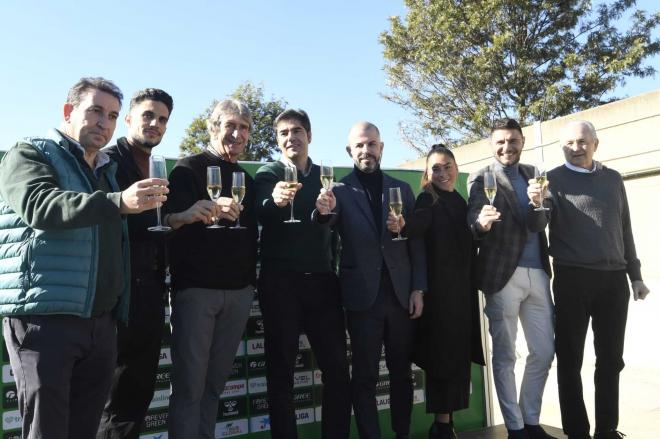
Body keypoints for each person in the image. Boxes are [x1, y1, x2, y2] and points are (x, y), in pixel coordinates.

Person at [0, 77, 167, 439]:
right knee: (47, 431)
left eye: (111, 115)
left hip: (100, 323)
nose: (103, 122)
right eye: (94, 111)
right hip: (46, 319)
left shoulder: (104, 170)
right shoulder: (30, 152)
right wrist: (118, 201)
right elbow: (39, 206)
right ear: (68, 111)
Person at [527, 120, 650, 439]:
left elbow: (625, 229)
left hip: (613, 282)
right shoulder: (550, 179)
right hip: (572, 279)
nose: (575, 147)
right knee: (570, 360)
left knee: (611, 361)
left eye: (582, 141)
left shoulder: (612, 179)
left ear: (596, 143)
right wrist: (537, 202)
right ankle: (577, 431)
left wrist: (635, 276)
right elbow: (539, 224)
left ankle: (607, 429)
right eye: (568, 143)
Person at [315, 121, 426, 439]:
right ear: (350, 150)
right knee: (363, 378)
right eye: (360, 145)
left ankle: (402, 433)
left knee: (401, 374)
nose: (366, 150)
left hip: (402, 296)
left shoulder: (401, 189)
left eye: (372, 143)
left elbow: (415, 242)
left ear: (381, 147)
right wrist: (322, 212)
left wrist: (418, 287)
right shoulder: (337, 191)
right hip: (362, 298)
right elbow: (326, 222)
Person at [254, 108, 351, 439]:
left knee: (338, 371)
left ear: (309, 136)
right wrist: (276, 202)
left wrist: (327, 213)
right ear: (278, 141)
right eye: (283, 133)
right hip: (280, 284)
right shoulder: (269, 173)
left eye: (297, 131)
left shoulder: (325, 175)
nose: (290, 137)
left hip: (323, 282)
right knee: (281, 375)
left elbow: (331, 221)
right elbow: (260, 211)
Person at [165, 99, 258, 438]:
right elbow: (167, 224)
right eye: (230, 125)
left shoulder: (246, 177)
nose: (237, 134)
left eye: (244, 128)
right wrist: (199, 212)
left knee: (214, 386)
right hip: (197, 292)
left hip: (238, 294)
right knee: (189, 387)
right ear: (213, 127)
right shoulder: (186, 169)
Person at [467, 118, 555, 439]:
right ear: (492, 145)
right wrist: (481, 224)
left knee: (544, 352)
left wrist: (537, 202)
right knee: (505, 355)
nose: (507, 147)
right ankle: (516, 427)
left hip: (539, 275)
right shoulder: (482, 178)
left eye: (513, 141)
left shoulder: (535, 175)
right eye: (501, 142)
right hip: (502, 276)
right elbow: (474, 222)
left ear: (522, 141)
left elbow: (540, 223)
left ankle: (531, 418)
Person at [96, 88, 174, 439]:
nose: (155, 124)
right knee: (110, 401)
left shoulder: (158, 165)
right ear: (128, 119)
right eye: (148, 116)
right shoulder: (107, 161)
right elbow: (108, 221)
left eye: (162, 120)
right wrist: (174, 219)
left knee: (137, 397)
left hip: (151, 292)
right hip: (119, 296)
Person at [404, 145, 485, 439]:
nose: (442, 173)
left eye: (447, 166)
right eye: (436, 168)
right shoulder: (427, 199)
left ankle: (445, 423)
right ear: (427, 173)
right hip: (440, 297)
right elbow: (415, 228)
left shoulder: (460, 200)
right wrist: (401, 224)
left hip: (462, 295)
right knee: (442, 360)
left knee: (456, 360)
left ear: (456, 167)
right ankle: (440, 425)